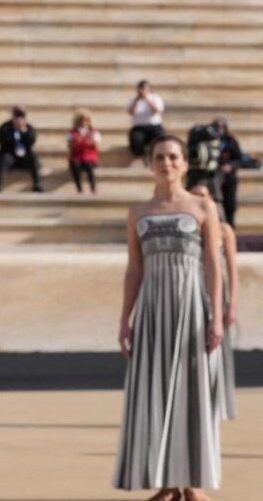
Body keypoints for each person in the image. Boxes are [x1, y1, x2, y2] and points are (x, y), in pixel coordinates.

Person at [113, 135, 224, 501]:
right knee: (156, 391)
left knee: (191, 393)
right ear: (151, 164)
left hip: (191, 308)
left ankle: (192, 482)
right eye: (159, 157)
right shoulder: (138, 212)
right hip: (152, 312)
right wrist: (125, 319)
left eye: (173, 157)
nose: (167, 163)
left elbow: (212, 263)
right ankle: (166, 482)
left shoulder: (203, 208)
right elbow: (134, 269)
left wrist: (216, 316)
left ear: (185, 163)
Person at [191, 184, 239, 422]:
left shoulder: (224, 230)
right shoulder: (188, 230)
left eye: (203, 196)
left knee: (216, 348)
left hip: (217, 292)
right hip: (193, 291)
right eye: (195, 196)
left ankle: (218, 401)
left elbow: (232, 270)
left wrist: (232, 305)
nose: (199, 200)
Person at [0, 106, 42, 192]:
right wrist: (14, 130)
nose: (19, 118)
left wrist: (23, 131)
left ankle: (37, 184)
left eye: (21, 116)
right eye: (17, 115)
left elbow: (32, 140)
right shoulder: (5, 127)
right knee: (4, 159)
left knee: (33, 157)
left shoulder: (28, 128)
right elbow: (2, 140)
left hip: (24, 156)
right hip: (10, 155)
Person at [127, 80, 165, 158]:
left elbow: (157, 110)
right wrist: (137, 101)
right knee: (135, 141)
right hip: (139, 127)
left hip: (154, 126)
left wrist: (147, 99)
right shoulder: (133, 100)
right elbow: (131, 112)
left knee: (161, 138)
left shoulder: (155, 98)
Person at [215, 118, 243, 227]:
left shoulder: (231, 141)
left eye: (222, 127)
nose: (219, 129)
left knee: (230, 204)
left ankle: (230, 228)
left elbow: (238, 158)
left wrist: (230, 165)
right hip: (213, 177)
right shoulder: (209, 140)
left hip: (228, 178)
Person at [67, 109, 100, 194]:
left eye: (86, 120)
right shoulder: (72, 132)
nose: (84, 122)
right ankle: (79, 188)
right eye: (82, 119)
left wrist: (92, 142)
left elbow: (97, 148)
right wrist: (77, 141)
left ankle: (93, 188)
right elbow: (70, 147)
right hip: (77, 156)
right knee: (75, 165)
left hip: (89, 156)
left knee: (89, 166)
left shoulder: (93, 132)